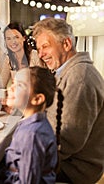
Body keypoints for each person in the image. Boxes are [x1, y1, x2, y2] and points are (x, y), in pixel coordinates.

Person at [33, 17, 104, 183]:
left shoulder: (79, 78)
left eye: (45, 46)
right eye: (38, 49)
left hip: (74, 169)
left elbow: (65, 141)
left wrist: (28, 153)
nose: (41, 54)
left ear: (66, 44)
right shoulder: (67, 71)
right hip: (65, 159)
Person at [0, 66, 62, 183]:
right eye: (13, 83)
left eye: (19, 85)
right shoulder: (32, 123)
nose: (11, 88)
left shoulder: (32, 135)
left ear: (37, 99)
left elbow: (28, 181)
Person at [1, 22, 44, 87]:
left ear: (24, 38)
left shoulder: (35, 55)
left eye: (16, 37)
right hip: (17, 95)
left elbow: (43, 83)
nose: (13, 42)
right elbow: (1, 84)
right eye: (8, 38)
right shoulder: (8, 59)